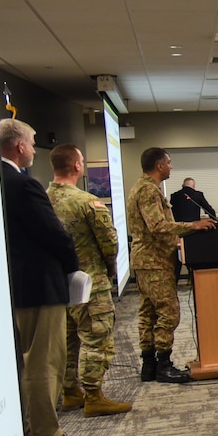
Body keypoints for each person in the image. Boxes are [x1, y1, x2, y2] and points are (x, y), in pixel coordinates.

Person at [0, 119, 88, 436]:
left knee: (23, 361)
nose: (36, 149)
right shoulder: (23, 185)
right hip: (40, 286)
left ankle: (27, 428)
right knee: (43, 362)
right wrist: (72, 268)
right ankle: (47, 435)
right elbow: (55, 235)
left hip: (16, 286)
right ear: (19, 146)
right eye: (33, 142)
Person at [47, 144, 130, 417]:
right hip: (90, 282)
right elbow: (109, 243)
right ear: (77, 166)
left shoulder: (42, 199)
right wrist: (110, 269)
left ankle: (71, 392)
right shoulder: (86, 202)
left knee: (69, 339)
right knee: (96, 338)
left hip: (57, 283)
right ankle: (94, 396)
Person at [128, 147, 216, 383]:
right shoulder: (148, 190)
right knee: (168, 312)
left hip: (148, 260)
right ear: (159, 165)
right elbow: (157, 226)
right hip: (154, 262)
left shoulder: (144, 187)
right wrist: (192, 226)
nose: (171, 166)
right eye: (169, 162)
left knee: (148, 312)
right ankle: (163, 365)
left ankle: (149, 365)